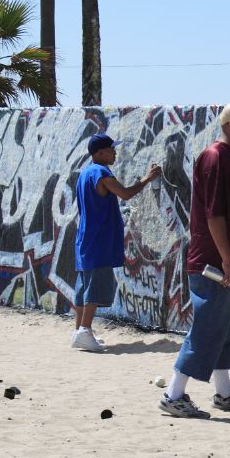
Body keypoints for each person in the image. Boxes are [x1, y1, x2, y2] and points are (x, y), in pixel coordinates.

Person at [160, 102, 230, 418]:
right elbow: (214, 215)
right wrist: (227, 261)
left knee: (227, 326)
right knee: (207, 328)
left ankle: (223, 392)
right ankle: (173, 394)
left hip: (227, 262)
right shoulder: (215, 158)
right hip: (214, 264)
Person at [70, 131, 161, 351]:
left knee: (84, 285)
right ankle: (85, 330)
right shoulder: (101, 173)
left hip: (86, 238)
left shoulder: (85, 173)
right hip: (98, 239)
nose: (115, 152)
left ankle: (80, 332)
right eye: (111, 149)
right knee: (95, 286)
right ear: (100, 152)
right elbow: (126, 193)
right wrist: (148, 178)